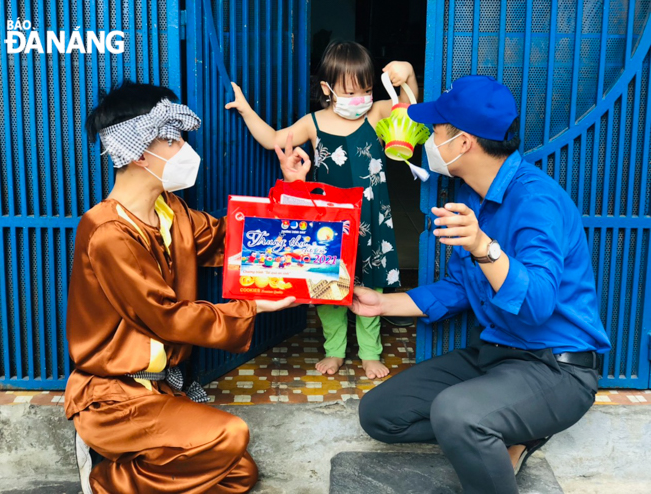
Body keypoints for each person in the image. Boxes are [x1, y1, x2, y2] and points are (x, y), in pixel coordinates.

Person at [352, 75, 611, 494]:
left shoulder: (536, 201)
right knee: (379, 413)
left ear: (464, 142)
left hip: (555, 369)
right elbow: (459, 288)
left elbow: (538, 304)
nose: (429, 140)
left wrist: (483, 245)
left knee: (458, 414)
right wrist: (381, 303)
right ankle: (500, 432)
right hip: (494, 356)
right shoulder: (471, 196)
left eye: (436, 130)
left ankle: (496, 430)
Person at [64, 81, 310, 494]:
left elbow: (234, 239)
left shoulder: (170, 210)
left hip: (161, 386)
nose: (186, 151)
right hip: (113, 395)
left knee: (239, 475)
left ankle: (132, 472)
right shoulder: (107, 232)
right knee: (230, 435)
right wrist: (254, 308)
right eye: (173, 140)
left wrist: (291, 191)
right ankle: (104, 478)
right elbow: (168, 318)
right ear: (139, 152)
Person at [226, 40, 419, 379]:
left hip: (371, 219)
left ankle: (370, 352)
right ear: (327, 88)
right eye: (349, 92)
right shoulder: (313, 123)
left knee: (371, 286)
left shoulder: (375, 114)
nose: (359, 100)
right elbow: (274, 139)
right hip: (328, 222)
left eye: (367, 90)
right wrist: (245, 110)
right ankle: (335, 350)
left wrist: (408, 75)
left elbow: (411, 110)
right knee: (328, 285)